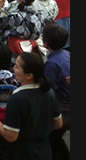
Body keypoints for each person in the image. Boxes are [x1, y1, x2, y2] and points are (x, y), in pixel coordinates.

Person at [0, 52, 63, 160]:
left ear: (29, 75)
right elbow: (58, 124)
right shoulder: (49, 92)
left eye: (17, 66)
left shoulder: (18, 98)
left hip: (23, 153)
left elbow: (11, 136)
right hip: (44, 151)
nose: (13, 68)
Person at [42, 23, 70, 160]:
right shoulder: (66, 54)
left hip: (62, 108)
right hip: (68, 103)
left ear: (46, 43)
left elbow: (47, 88)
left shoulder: (51, 64)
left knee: (51, 138)